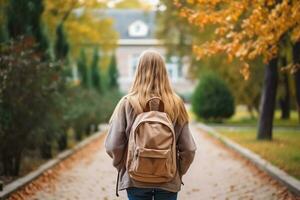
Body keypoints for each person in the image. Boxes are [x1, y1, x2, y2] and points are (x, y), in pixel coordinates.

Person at [105, 50, 196, 200]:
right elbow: (189, 149)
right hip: (168, 179)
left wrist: (125, 167)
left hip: (135, 179)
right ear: (164, 71)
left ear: (138, 70)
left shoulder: (127, 103)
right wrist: (176, 170)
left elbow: (113, 145)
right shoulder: (176, 104)